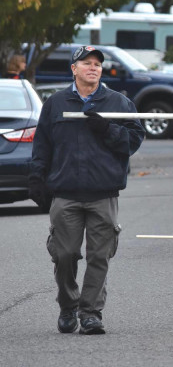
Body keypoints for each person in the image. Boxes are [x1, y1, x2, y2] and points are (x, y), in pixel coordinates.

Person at [29, 45, 145, 335]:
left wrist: (107, 129)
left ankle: (91, 313)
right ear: (74, 68)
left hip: (103, 194)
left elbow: (133, 141)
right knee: (65, 254)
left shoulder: (118, 103)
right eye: (86, 63)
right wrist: (37, 179)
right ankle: (68, 305)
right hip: (65, 193)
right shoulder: (56, 103)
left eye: (97, 64)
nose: (93, 67)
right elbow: (42, 144)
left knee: (99, 257)